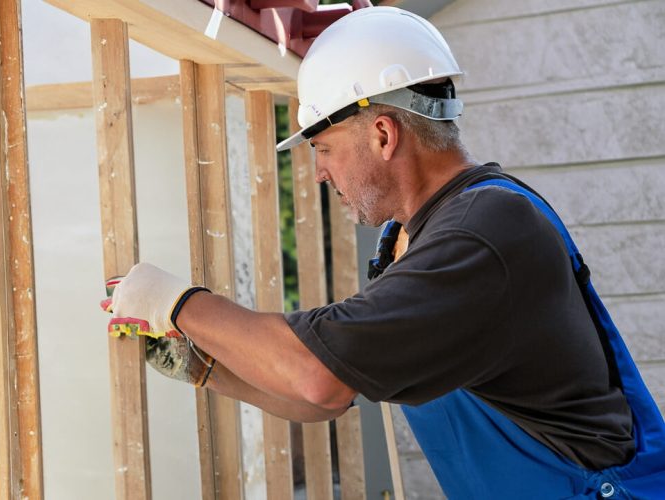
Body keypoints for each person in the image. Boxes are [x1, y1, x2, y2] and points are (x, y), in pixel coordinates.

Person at [108, 7, 665, 498]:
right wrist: (207, 369)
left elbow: (317, 375)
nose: (320, 172)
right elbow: (331, 394)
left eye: (323, 149)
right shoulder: (417, 238)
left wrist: (178, 302)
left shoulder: (483, 235)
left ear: (382, 134)